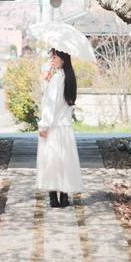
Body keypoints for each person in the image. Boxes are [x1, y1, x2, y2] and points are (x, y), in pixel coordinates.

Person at [37, 48, 83, 207]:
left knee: (51, 163)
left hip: (54, 127)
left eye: (55, 57)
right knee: (64, 163)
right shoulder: (69, 78)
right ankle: (64, 196)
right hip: (66, 128)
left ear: (62, 59)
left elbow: (50, 105)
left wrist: (43, 125)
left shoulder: (57, 79)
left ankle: (53, 198)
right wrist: (47, 80)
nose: (52, 60)